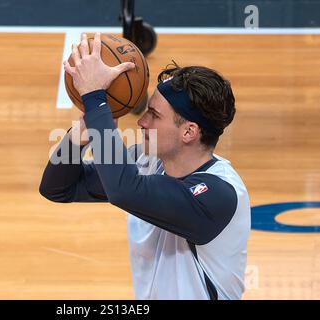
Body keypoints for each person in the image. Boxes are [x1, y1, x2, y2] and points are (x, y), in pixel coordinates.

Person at [39, 32, 251, 300]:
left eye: (154, 115)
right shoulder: (148, 161)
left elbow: (124, 190)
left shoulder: (219, 194)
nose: (141, 123)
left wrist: (96, 99)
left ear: (189, 132)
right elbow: (58, 188)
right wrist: (81, 134)